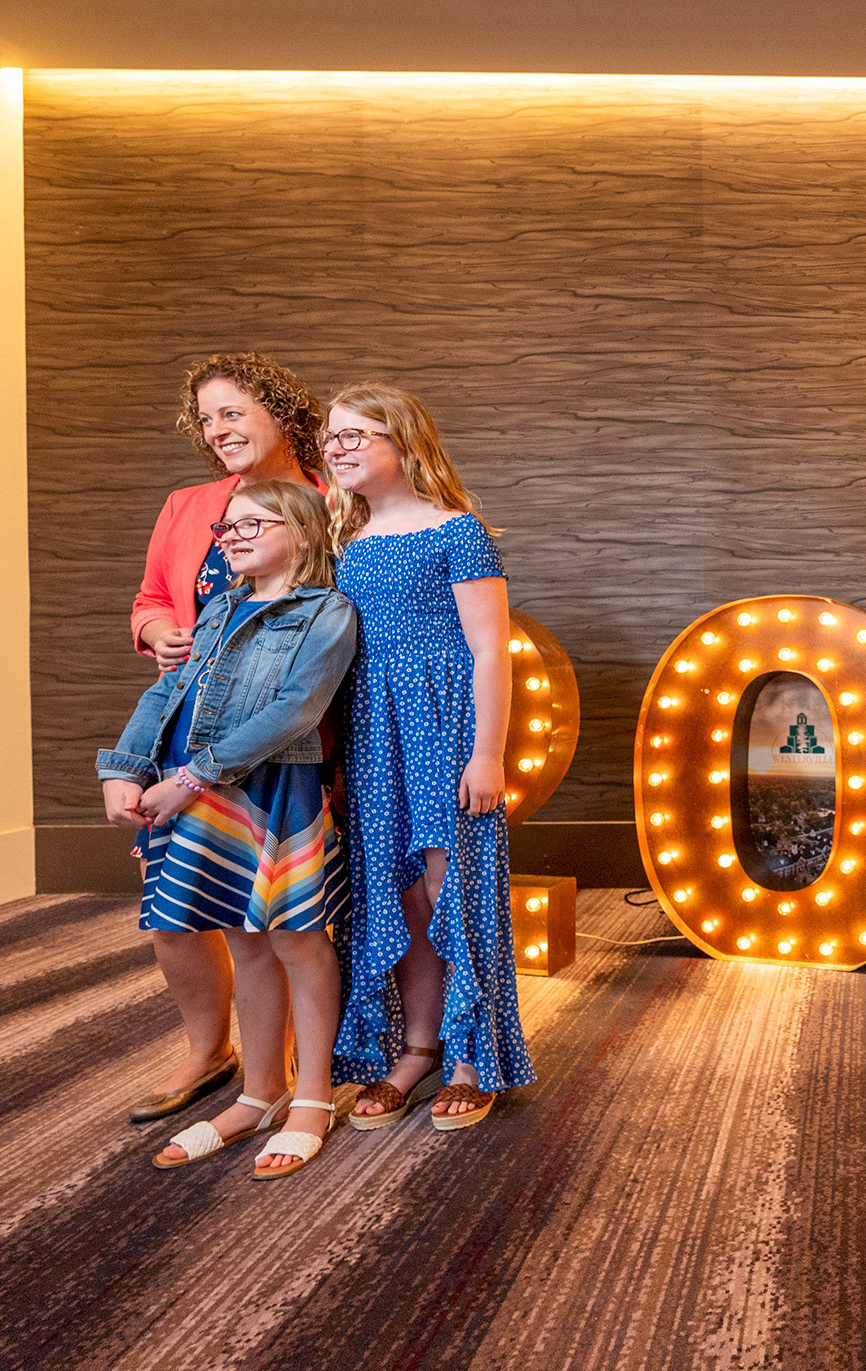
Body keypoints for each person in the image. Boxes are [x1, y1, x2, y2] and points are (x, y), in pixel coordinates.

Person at [98, 480, 357, 1177]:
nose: (232, 535)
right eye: (226, 527)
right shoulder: (217, 608)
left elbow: (295, 710)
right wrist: (122, 767)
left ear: (301, 530)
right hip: (196, 789)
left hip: (264, 789)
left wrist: (190, 779)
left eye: (252, 523)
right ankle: (260, 1091)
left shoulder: (326, 611)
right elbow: (166, 690)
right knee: (245, 944)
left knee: (297, 940)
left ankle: (312, 1096)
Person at [122, 354, 330, 1124]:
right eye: (207, 418)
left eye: (234, 412)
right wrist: (159, 628)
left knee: (284, 920)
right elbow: (148, 598)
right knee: (176, 911)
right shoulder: (187, 506)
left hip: (292, 740)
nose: (218, 430)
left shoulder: (331, 500)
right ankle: (211, 1052)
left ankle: (307, 1072)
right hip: (186, 731)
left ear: (280, 412)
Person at [326, 382, 532, 1131]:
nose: (336, 448)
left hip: (442, 722)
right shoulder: (346, 544)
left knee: (454, 889)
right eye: (330, 438)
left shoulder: (458, 531)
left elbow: (488, 651)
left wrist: (488, 753)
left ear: (406, 442)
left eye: (354, 435)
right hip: (373, 729)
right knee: (397, 894)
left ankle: (472, 1054)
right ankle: (416, 1048)